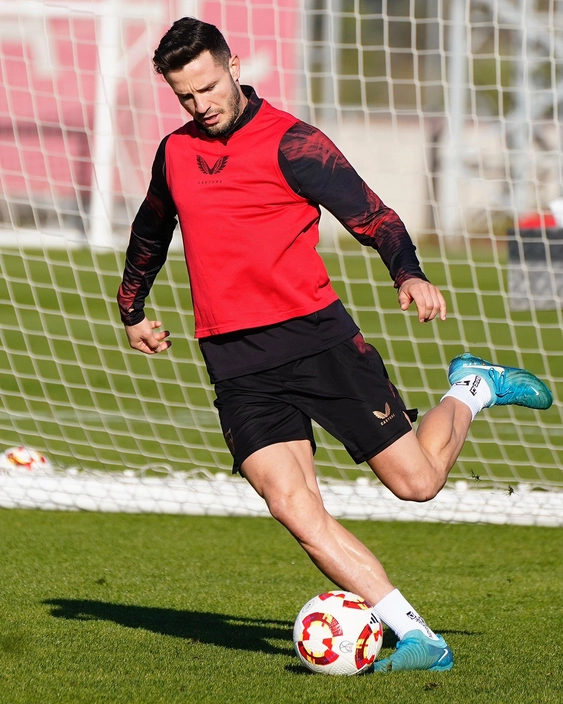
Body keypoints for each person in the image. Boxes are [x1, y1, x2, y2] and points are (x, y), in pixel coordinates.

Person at [117, 17, 553, 673]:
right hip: (236, 364)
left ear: (233, 65)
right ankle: (418, 640)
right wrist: (133, 310)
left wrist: (407, 272)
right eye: (185, 97)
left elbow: (372, 215)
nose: (199, 105)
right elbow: (151, 228)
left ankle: (473, 387)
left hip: (316, 344)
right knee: (294, 510)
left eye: (207, 87)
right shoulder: (175, 152)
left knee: (416, 483)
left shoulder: (293, 143)